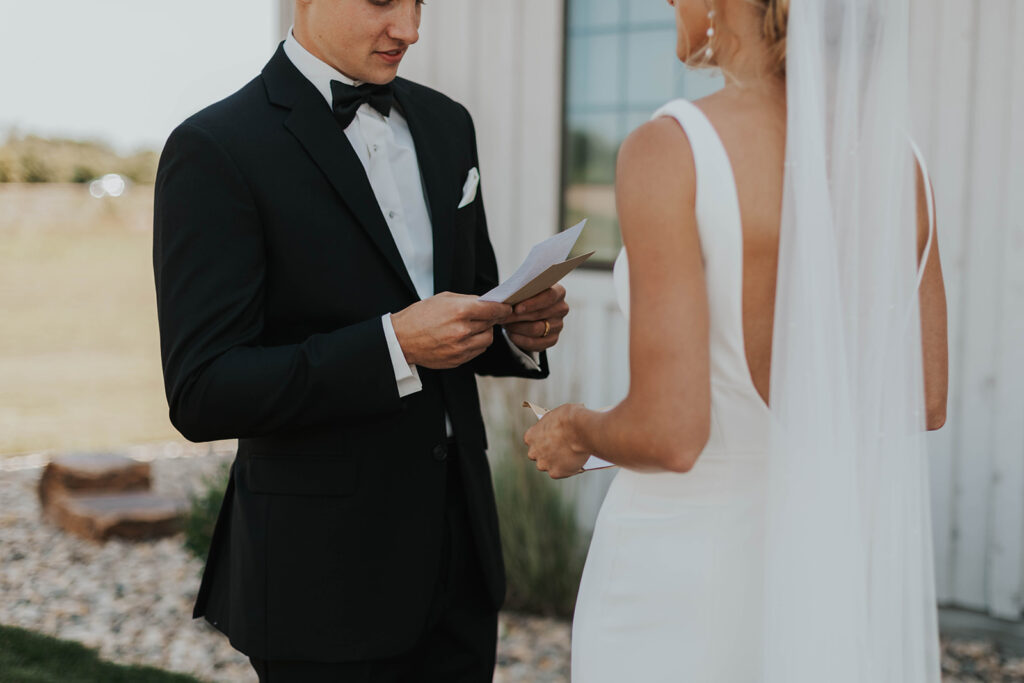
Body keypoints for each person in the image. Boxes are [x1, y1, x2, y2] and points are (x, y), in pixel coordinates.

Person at [524, 0, 949, 680]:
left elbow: (673, 434)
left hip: (681, 583)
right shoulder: (903, 165)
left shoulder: (674, 148)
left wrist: (574, 430)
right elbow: (924, 398)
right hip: (822, 581)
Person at [152, 0, 570, 680]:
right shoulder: (216, 147)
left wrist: (518, 331)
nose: (408, 29)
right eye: (383, 1)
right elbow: (204, 389)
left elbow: (466, 301)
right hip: (320, 587)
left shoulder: (447, 124)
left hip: (460, 566)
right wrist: (393, 345)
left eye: (419, 3)